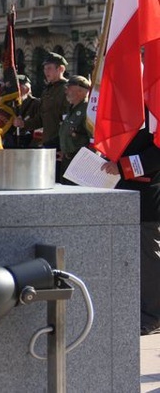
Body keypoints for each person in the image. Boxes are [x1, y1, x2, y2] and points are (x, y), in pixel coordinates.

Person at [102, 125, 160, 336]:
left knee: (148, 258)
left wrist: (124, 166)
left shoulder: (153, 104)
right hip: (122, 192)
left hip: (147, 195)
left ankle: (153, 316)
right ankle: (135, 309)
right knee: (128, 256)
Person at [14, 51, 69, 149]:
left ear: (61, 69)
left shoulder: (67, 89)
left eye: (49, 68)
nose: (46, 71)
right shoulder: (47, 91)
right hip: (48, 141)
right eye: (44, 68)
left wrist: (66, 147)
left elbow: (69, 119)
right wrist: (24, 124)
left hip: (62, 143)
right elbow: (41, 118)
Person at [58, 76, 91, 184]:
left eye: (69, 87)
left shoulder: (88, 110)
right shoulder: (71, 109)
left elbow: (93, 140)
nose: (66, 91)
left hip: (80, 164)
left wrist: (85, 163)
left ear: (80, 90)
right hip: (67, 161)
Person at [2, 74, 40, 148]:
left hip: (29, 144)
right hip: (9, 143)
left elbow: (40, 124)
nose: (13, 91)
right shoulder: (8, 104)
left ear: (27, 90)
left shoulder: (36, 104)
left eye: (17, 88)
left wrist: (24, 124)